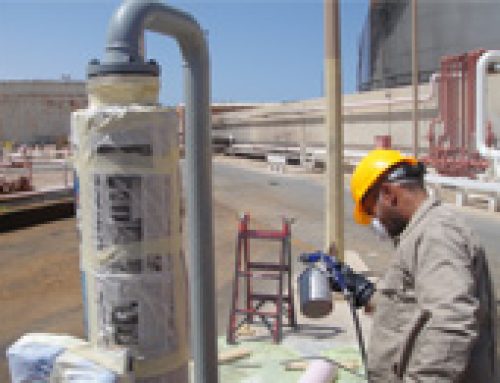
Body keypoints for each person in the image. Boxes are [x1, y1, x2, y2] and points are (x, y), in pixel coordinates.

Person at [350, 149, 497, 382]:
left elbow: (452, 320)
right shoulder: (420, 233)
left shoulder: (437, 234)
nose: (376, 221)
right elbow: (411, 306)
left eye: (372, 211)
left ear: (388, 194)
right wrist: (366, 293)